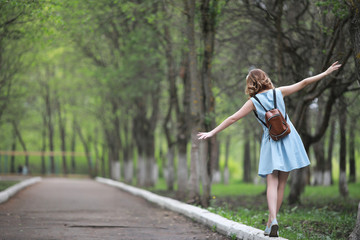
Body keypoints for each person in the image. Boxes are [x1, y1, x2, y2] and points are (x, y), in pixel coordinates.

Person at [197, 61, 341, 237]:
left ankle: (272, 220)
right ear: (265, 79)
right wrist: (325, 73)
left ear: (250, 84)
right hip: (289, 138)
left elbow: (233, 118)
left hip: (271, 141)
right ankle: (272, 220)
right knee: (281, 184)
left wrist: (212, 132)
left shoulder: (253, 102)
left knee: (271, 182)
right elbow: (304, 83)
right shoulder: (278, 92)